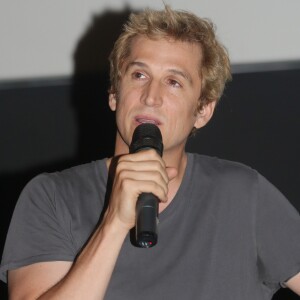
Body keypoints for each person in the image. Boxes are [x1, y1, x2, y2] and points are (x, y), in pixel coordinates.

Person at [1, 5, 300, 300]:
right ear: (114, 94)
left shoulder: (243, 195)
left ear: (203, 110)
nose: (151, 97)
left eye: (173, 82)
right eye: (139, 75)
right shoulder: (52, 198)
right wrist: (113, 224)